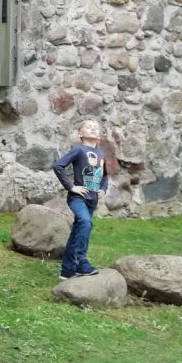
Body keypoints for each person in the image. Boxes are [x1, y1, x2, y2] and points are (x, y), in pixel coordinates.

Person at [52, 119, 109, 280]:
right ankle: (81, 261)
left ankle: (67, 270)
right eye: (89, 127)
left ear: (100, 136)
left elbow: (104, 175)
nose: (93, 129)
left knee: (78, 230)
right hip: (78, 197)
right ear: (80, 133)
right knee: (85, 222)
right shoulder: (78, 150)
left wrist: (103, 189)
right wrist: (71, 187)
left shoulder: (101, 154)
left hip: (92, 199)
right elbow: (58, 166)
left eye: (96, 127)